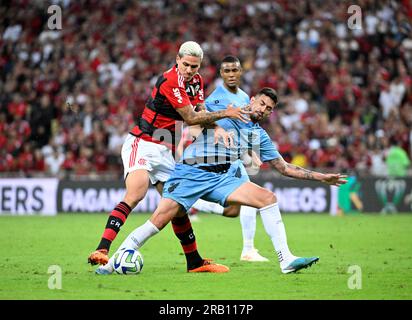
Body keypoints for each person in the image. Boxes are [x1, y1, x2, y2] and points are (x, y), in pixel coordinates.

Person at [96, 87, 347, 275]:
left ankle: (286, 260)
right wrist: (216, 126)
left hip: (223, 178)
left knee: (267, 199)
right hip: (191, 173)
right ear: (252, 100)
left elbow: (283, 167)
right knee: (159, 221)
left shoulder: (258, 134)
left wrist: (321, 177)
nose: (263, 109)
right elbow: (194, 117)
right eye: (261, 103)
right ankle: (110, 265)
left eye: (269, 108)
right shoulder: (228, 108)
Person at [87, 41, 249, 273]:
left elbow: (201, 112)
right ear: (177, 60)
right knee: (136, 193)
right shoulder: (170, 81)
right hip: (142, 143)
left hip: (165, 151)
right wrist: (227, 113)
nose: (190, 70)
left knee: (178, 206)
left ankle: (194, 262)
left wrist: (218, 128)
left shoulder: (197, 82)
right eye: (186, 64)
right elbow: (191, 118)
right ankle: (102, 249)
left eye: (195, 66)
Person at [177, 56, 269, 262]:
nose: (231, 74)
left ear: (240, 72)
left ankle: (199, 204)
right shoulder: (212, 99)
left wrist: (249, 150)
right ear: (221, 74)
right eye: (226, 71)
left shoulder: (245, 98)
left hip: (234, 156)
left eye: (234, 70)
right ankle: (248, 250)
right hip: (218, 158)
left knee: (233, 211)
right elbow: (195, 124)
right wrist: (214, 134)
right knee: (250, 199)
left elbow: (244, 128)